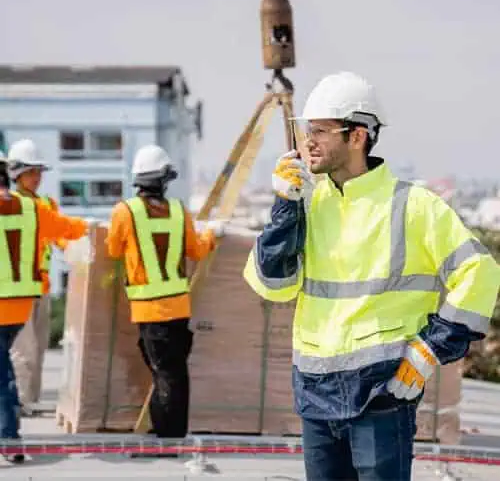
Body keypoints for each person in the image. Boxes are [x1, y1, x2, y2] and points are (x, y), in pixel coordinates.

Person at [243, 71, 500, 480]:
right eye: (307, 130)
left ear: (357, 135)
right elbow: (273, 285)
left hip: (381, 393)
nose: (307, 141)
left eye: (321, 131)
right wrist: (283, 208)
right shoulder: (306, 202)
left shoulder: (413, 205)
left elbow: (480, 273)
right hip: (315, 392)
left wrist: (429, 351)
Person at [106, 144, 225, 441]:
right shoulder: (178, 211)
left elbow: (112, 249)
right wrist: (212, 234)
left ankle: (170, 435)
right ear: (164, 180)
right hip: (177, 306)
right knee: (168, 370)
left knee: (166, 372)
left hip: (147, 308)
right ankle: (165, 429)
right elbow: (196, 250)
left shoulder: (125, 212)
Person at [0, 152, 88, 463]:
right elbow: (68, 228)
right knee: (6, 368)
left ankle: (10, 438)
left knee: (6, 371)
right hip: (20, 302)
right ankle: (9, 434)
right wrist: (90, 227)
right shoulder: (32, 208)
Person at [7, 139, 69, 411]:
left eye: (39, 172)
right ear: (16, 174)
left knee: (40, 346)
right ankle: (19, 400)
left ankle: (30, 399)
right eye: (31, 172)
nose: (37, 178)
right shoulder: (9, 204)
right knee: (23, 349)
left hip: (41, 286)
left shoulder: (47, 204)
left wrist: (79, 249)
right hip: (15, 289)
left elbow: (60, 236)